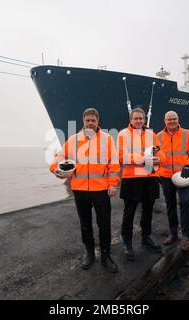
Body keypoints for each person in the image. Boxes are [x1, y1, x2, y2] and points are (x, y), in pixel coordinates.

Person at [50, 107, 120, 272]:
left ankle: (105, 255)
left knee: (104, 224)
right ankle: (89, 253)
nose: (90, 123)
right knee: (85, 224)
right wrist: (55, 169)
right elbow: (59, 157)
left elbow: (114, 163)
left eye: (93, 120)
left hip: (101, 190)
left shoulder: (107, 139)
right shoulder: (73, 140)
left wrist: (112, 183)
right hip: (80, 190)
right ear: (83, 121)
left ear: (97, 121)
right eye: (88, 120)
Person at [118, 107, 166, 260]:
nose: (138, 121)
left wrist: (161, 159)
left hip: (150, 177)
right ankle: (127, 242)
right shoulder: (123, 134)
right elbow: (121, 156)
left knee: (148, 210)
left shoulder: (152, 134)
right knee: (129, 212)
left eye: (141, 118)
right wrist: (142, 158)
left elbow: (161, 152)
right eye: (135, 118)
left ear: (144, 119)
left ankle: (146, 237)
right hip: (132, 178)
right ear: (130, 120)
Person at [157, 111, 189, 251]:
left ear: (178, 119)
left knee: (185, 203)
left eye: (174, 119)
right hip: (166, 177)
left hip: (183, 176)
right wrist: (158, 173)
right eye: (169, 119)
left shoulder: (187, 134)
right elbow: (156, 157)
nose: (172, 122)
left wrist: (188, 165)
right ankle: (174, 233)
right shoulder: (158, 136)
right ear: (165, 121)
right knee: (170, 206)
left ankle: (186, 237)